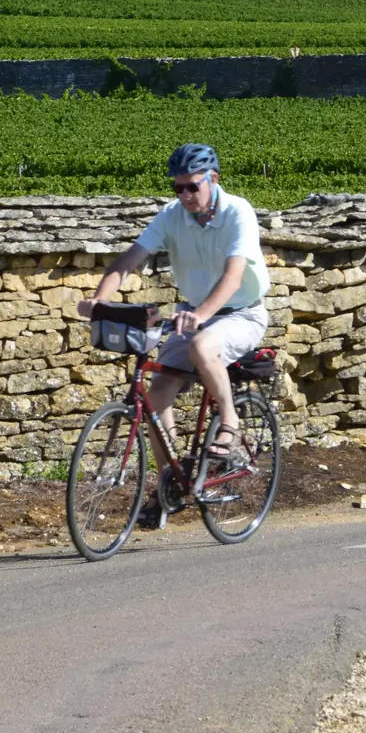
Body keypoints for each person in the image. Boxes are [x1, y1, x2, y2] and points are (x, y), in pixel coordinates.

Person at [78, 143, 272, 515]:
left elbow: (233, 275)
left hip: (241, 313)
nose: (184, 195)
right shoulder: (171, 216)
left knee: (201, 346)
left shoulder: (237, 211)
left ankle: (229, 421)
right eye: (177, 188)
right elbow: (129, 260)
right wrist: (99, 300)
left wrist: (200, 314)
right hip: (193, 313)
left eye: (192, 187)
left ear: (213, 180)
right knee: (158, 391)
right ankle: (169, 483)